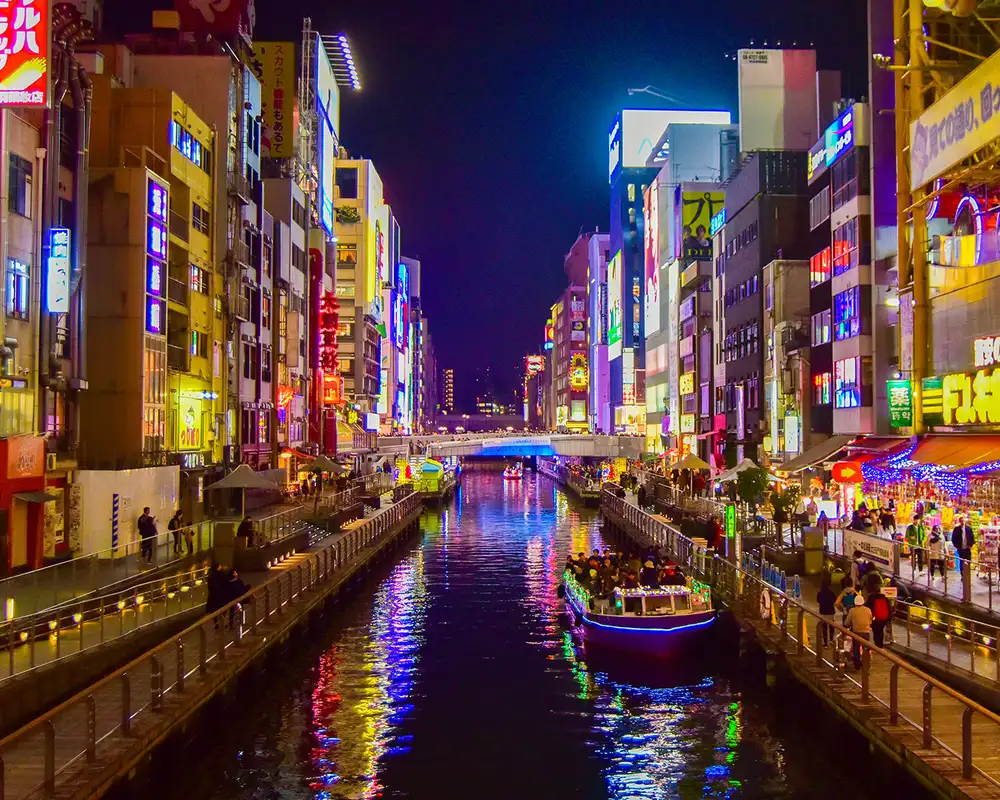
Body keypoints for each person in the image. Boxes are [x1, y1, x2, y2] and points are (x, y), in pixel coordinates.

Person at [845, 599, 874, 669]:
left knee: (856, 648)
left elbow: (847, 623)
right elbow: (870, 620)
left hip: (856, 632)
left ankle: (857, 664)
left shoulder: (852, 610)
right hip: (866, 632)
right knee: (866, 648)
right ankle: (866, 663)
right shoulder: (868, 610)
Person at [817, 575, 837, 646]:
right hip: (831, 611)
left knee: (824, 627)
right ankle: (831, 640)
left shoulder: (820, 593)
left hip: (823, 612)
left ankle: (825, 642)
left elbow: (818, 600)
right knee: (831, 626)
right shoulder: (831, 592)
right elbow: (835, 599)